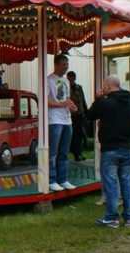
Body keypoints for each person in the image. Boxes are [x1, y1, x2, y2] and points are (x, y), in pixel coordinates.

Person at [87, 75, 130, 228]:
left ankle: (111, 217)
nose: (102, 88)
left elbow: (89, 115)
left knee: (111, 184)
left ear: (108, 87)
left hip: (110, 149)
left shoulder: (105, 103)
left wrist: (97, 99)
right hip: (126, 148)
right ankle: (129, 218)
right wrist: (129, 143)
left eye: (104, 85)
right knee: (127, 183)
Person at [47, 54, 79, 192]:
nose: (66, 67)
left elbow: (67, 98)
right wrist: (61, 104)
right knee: (53, 152)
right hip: (54, 119)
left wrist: (72, 105)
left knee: (64, 152)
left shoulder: (66, 81)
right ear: (56, 65)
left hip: (67, 119)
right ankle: (51, 180)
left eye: (67, 64)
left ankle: (63, 179)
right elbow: (45, 100)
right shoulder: (49, 80)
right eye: (63, 64)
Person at [67, 71, 88, 161]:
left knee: (79, 135)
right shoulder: (65, 88)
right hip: (69, 116)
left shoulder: (79, 88)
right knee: (72, 136)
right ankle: (75, 153)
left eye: (72, 78)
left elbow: (83, 101)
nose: (70, 80)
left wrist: (86, 113)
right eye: (69, 78)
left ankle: (78, 153)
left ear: (74, 78)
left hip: (79, 115)